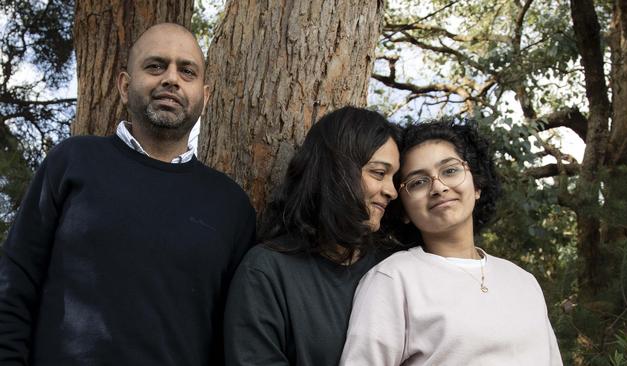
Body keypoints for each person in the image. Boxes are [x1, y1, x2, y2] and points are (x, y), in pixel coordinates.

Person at [0, 23, 256, 366]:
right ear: (124, 85)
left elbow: (233, 338)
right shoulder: (73, 161)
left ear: (204, 97)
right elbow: (14, 283)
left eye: (187, 71)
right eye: (155, 66)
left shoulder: (231, 206)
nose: (171, 78)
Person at [339, 120, 563, 365]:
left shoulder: (524, 281)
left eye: (450, 170)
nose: (438, 187)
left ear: (477, 185)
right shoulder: (393, 279)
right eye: (418, 182)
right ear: (403, 209)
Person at [223, 106, 401, 366]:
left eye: (395, 177)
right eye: (379, 173)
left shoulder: (392, 267)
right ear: (338, 171)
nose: (392, 191)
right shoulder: (266, 272)